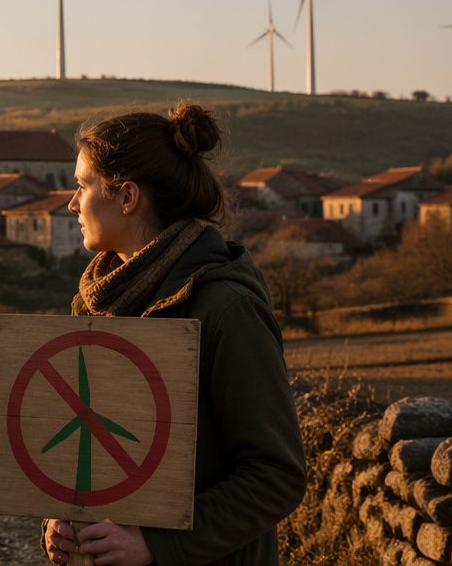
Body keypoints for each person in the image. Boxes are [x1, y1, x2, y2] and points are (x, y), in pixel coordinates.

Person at [43, 102, 306, 566]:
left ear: (127, 197)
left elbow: (276, 476)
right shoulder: (95, 303)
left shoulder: (228, 308)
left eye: (82, 186)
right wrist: (58, 518)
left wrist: (157, 543)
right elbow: (84, 446)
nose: (71, 204)